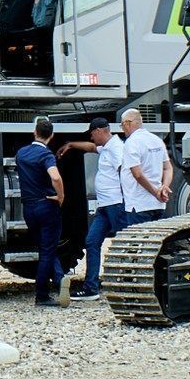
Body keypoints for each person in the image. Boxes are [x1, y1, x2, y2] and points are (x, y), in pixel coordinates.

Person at [13, 117, 70, 307]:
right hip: (46, 205)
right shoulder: (46, 155)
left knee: (45, 248)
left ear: (34, 132)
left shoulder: (21, 153)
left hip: (28, 208)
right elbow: (55, 177)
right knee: (47, 250)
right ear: (51, 136)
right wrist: (61, 196)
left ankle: (60, 279)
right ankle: (42, 295)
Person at [75, 117, 125, 300]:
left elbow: (124, 170)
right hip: (104, 206)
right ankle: (91, 288)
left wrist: (126, 196)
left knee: (123, 244)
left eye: (92, 134)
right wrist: (70, 145)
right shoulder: (107, 147)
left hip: (116, 203)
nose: (91, 137)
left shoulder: (116, 147)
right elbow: (90, 148)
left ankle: (127, 283)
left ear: (99, 131)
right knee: (91, 241)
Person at [118, 109, 172, 224]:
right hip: (158, 205)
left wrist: (155, 193)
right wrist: (164, 187)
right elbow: (168, 168)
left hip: (139, 204)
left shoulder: (132, 142)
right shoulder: (157, 140)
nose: (122, 129)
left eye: (122, 125)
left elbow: (137, 174)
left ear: (127, 123)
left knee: (138, 236)